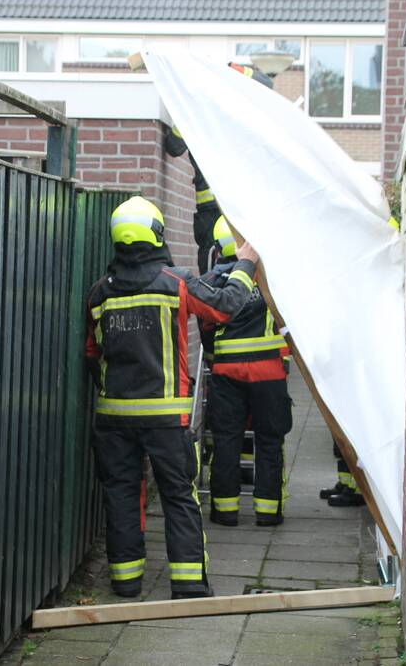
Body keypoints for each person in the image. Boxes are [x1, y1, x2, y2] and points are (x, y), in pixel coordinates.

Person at [85, 196, 259, 600]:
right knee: (179, 497)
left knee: (123, 496)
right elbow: (227, 307)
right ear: (157, 233)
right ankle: (188, 585)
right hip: (168, 421)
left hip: (113, 419)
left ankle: (126, 583)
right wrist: (246, 263)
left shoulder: (99, 294)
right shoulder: (175, 283)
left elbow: (91, 356)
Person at [202, 216, 292, 527]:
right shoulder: (270, 279)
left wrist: (216, 360)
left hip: (227, 372)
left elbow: (206, 329)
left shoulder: (212, 282)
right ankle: (268, 512)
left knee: (227, 439)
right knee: (269, 439)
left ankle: (225, 511)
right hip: (268, 372)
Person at [163, 63, 273, 273]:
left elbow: (266, 84)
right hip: (215, 208)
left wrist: (230, 70)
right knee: (217, 264)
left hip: (236, 206)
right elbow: (174, 146)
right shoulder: (198, 113)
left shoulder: (239, 114)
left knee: (246, 259)